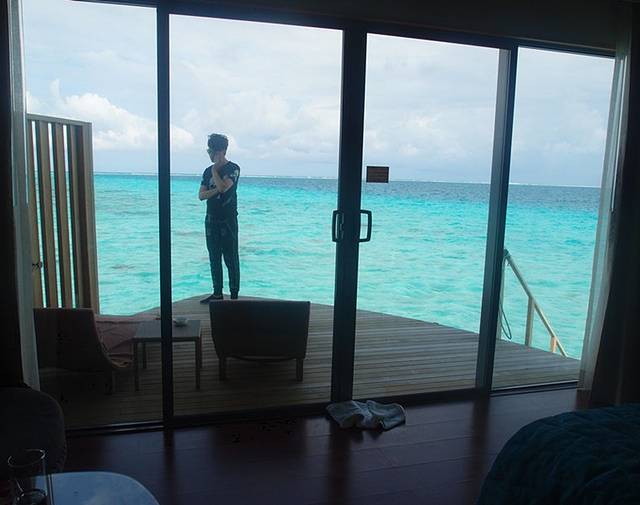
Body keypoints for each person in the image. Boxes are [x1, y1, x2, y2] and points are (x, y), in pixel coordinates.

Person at [199, 133, 240, 302]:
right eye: (208, 151)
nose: (209, 154)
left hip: (228, 220)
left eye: (211, 151)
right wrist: (216, 188)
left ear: (221, 151)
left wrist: (215, 171)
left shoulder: (233, 169)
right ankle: (217, 293)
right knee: (214, 258)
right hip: (211, 219)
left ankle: (234, 296)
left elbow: (224, 188)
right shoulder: (207, 171)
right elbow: (201, 195)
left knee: (231, 258)